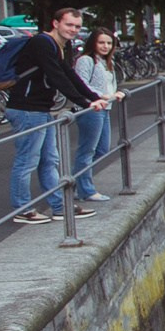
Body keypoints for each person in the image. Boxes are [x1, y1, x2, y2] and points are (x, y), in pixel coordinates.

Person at [5, 8, 110, 225]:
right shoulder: (42, 43)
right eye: (69, 25)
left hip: (42, 109)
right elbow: (56, 76)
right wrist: (86, 102)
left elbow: (69, 74)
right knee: (27, 160)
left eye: (77, 27)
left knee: (49, 160)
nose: (73, 30)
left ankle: (60, 206)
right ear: (55, 23)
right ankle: (22, 208)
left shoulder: (60, 46)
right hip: (26, 108)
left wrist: (91, 97)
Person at [72, 28, 124, 202]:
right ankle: (85, 190)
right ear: (93, 42)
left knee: (102, 149)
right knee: (87, 149)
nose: (105, 46)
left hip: (104, 108)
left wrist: (116, 93)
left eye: (109, 43)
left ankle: (75, 180)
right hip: (91, 109)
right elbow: (82, 84)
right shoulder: (86, 60)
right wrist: (103, 96)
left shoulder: (106, 61)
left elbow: (109, 85)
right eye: (101, 42)